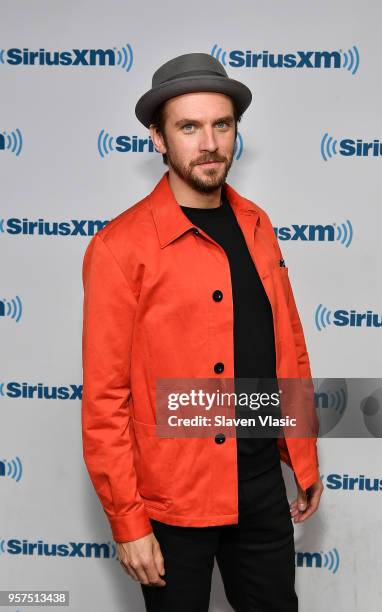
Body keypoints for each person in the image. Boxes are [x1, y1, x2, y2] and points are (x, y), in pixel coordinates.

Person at [81, 52, 324, 612]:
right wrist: (128, 522)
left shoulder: (259, 225)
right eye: (188, 127)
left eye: (222, 125)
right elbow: (105, 400)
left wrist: (303, 458)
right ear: (159, 139)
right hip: (172, 504)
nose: (208, 142)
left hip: (262, 488)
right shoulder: (119, 249)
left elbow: (287, 347)